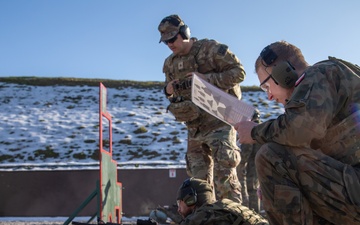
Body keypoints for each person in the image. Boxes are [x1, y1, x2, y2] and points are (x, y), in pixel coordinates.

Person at [235, 40, 360, 224]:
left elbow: (302, 130)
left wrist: (255, 132)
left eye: (267, 86)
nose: (269, 96)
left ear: (282, 71)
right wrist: (279, 185)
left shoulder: (320, 74)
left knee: (271, 156)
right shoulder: (327, 84)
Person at [158, 14, 245, 203]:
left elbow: (239, 73)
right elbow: (169, 90)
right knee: (198, 186)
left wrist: (208, 79)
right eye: (166, 41)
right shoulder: (169, 63)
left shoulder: (210, 49)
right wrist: (168, 91)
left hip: (220, 120)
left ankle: (233, 219)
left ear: (185, 33)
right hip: (194, 128)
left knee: (225, 180)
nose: (170, 44)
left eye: (173, 38)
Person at [151, 177, 269, 225]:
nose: (178, 209)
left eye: (179, 203)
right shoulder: (224, 206)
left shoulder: (204, 214)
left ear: (190, 200)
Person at [236, 109, 262, 213]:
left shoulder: (249, 129)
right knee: (254, 189)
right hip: (257, 165)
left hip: (247, 166)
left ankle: (248, 213)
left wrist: (240, 164)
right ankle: (256, 213)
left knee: (245, 189)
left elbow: (246, 151)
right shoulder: (260, 129)